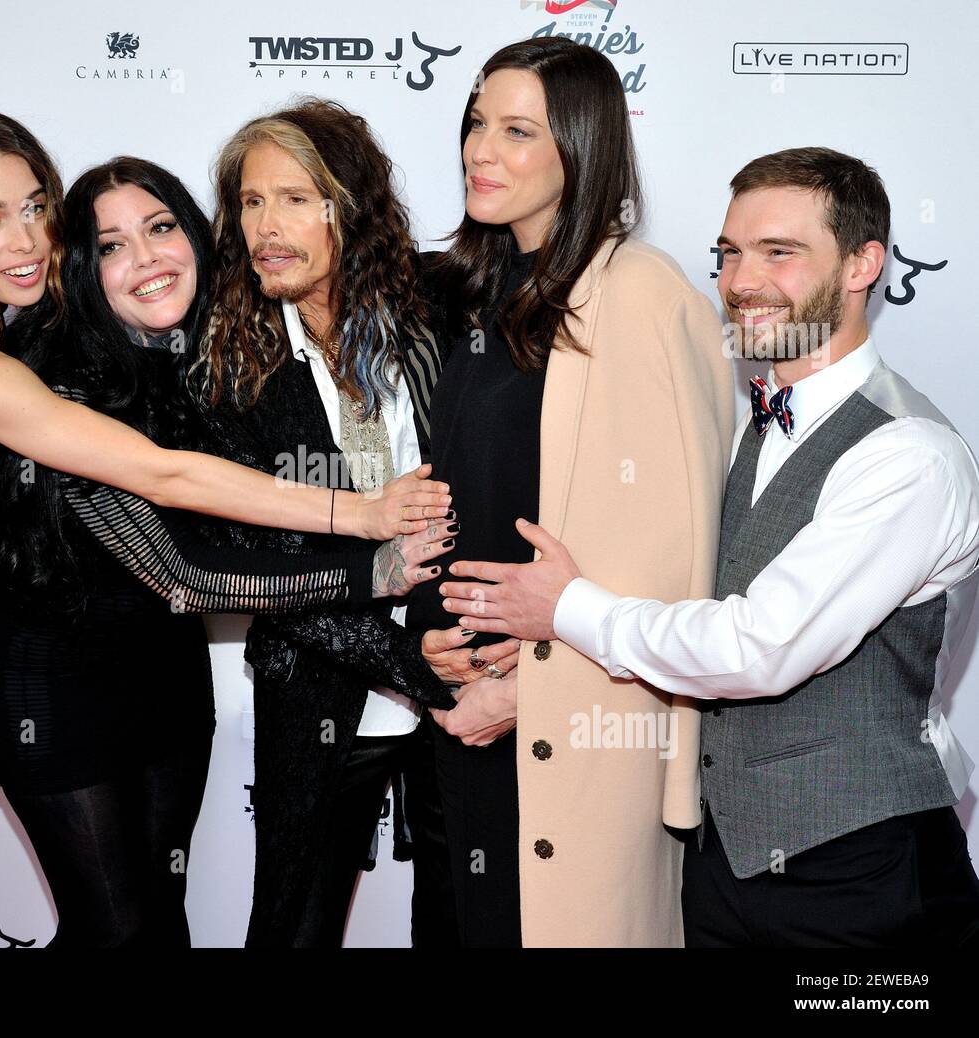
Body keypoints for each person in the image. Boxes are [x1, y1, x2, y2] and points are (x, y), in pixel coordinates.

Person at [0, 105, 450, 948]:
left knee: (142, 924)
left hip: (25, 656)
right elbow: (170, 516)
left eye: (34, 209)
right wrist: (368, 534)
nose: (22, 241)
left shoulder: (48, 335)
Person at [440, 146, 979, 948]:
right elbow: (679, 588)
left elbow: (759, 647)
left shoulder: (907, 455)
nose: (741, 281)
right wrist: (531, 675)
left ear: (866, 263)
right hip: (720, 861)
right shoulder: (744, 427)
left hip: (861, 868)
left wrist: (567, 608)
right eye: (728, 254)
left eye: (780, 252)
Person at [0, 156, 457, 948]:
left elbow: (246, 532)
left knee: (160, 915)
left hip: (161, 667)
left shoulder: (210, 357)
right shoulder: (64, 384)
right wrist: (374, 565)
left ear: (195, 234)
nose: (148, 258)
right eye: (112, 246)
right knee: (114, 928)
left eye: (160, 228)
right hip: (47, 676)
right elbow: (181, 572)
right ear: (83, 270)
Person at [409, 36, 735, 947]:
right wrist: (436, 642)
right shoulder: (474, 292)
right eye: (477, 123)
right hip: (467, 711)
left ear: (581, 149)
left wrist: (531, 693)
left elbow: (678, 555)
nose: (481, 149)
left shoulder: (639, 293)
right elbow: (462, 495)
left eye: (517, 130)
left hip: (580, 725)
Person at [195, 98, 471, 946]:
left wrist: (464, 668)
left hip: (468, 686)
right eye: (249, 202)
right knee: (292, 927)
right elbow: (267, 573)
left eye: (294, 198)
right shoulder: (230, 367)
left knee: (467, 924)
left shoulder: (446, 309)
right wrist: (408, 664)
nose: (265, 227)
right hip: (324, 686)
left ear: (349, 204)